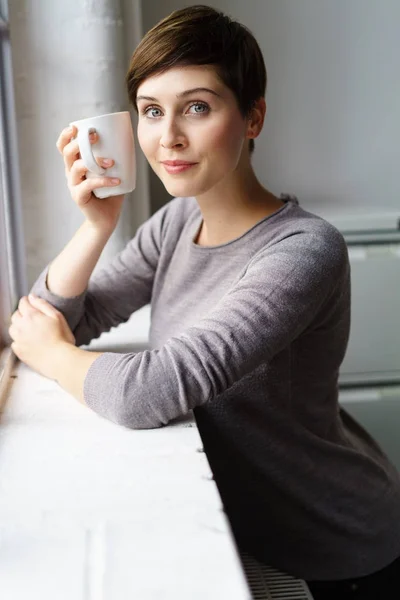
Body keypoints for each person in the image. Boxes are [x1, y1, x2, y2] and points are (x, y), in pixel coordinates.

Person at [8, 5, 400, 598]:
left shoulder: (302, 251)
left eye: (197, 107)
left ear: (252, 117)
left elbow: (147, 391)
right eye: (150, 112)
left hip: (332, 544)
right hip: (246, 524)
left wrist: (48, 349)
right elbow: (55, 320)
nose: (168, 138)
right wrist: (95, 225)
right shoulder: (175, 223)